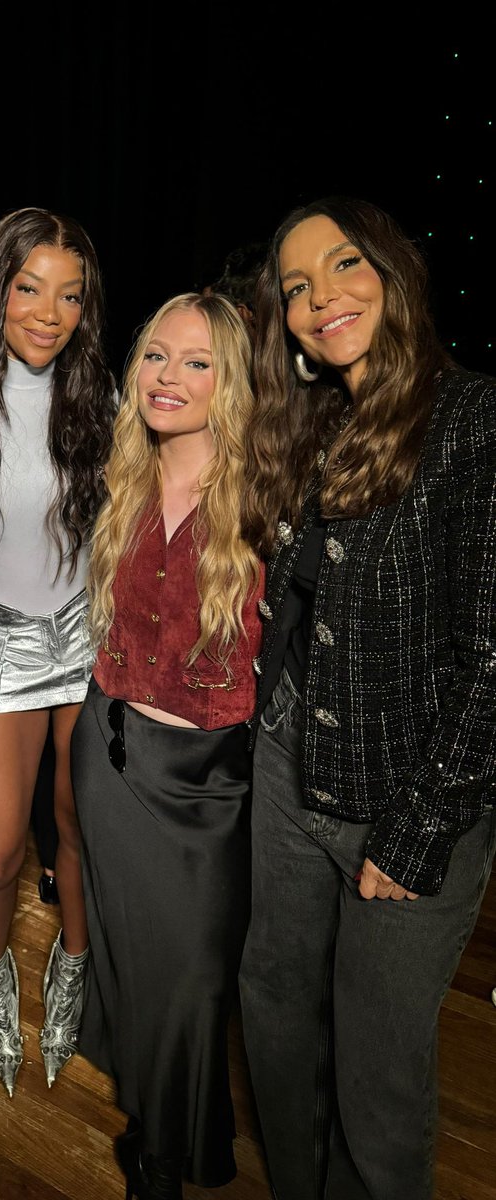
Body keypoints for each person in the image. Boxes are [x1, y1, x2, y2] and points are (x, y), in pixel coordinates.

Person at [238, 197, 496, 1200]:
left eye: (343, 266)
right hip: (290, 770)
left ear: (394, 276)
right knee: (274, 1008)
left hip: (408, 798)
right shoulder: (313, 422)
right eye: (297, 286)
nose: (319, 297)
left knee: (378, 1075)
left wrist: (422, 824)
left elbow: (492, 658)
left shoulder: (473, 417)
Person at [72, 294, 262, 1199]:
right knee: (131, 959)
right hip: (108, 752)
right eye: (156, 355)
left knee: (193, 978)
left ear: (232, 382)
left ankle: (178, 1138)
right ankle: (164, 1135)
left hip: (209, 785)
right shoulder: (122, 477)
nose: (168, 377)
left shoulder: (271, 498)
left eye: (197, 362)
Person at [0, 208, 115, 1095]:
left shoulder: (105, 398)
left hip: (86, 637)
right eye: (29, 288)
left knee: (80, 829)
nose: (49, 312)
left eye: (70, 296)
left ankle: (76, 963)